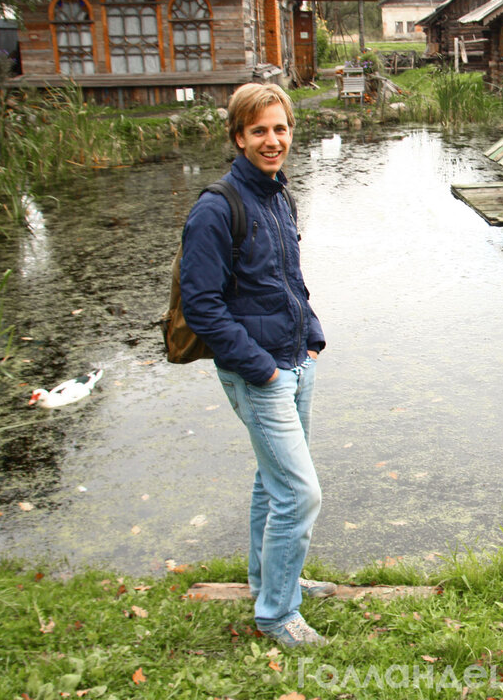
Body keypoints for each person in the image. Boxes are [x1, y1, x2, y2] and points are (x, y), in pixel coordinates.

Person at [180, 83, 333, 648]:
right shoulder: (217, 209)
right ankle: (276, 613)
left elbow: (287, 279)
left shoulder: (278, 195)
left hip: (296, 359)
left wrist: (312, 338)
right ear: (239, 136)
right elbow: (202, 307)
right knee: (300, 493)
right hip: (259, 370)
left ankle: (269, 580)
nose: (273, 141)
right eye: (260, 131)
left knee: (274, 485)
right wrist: (262, 369)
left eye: (281, 129)